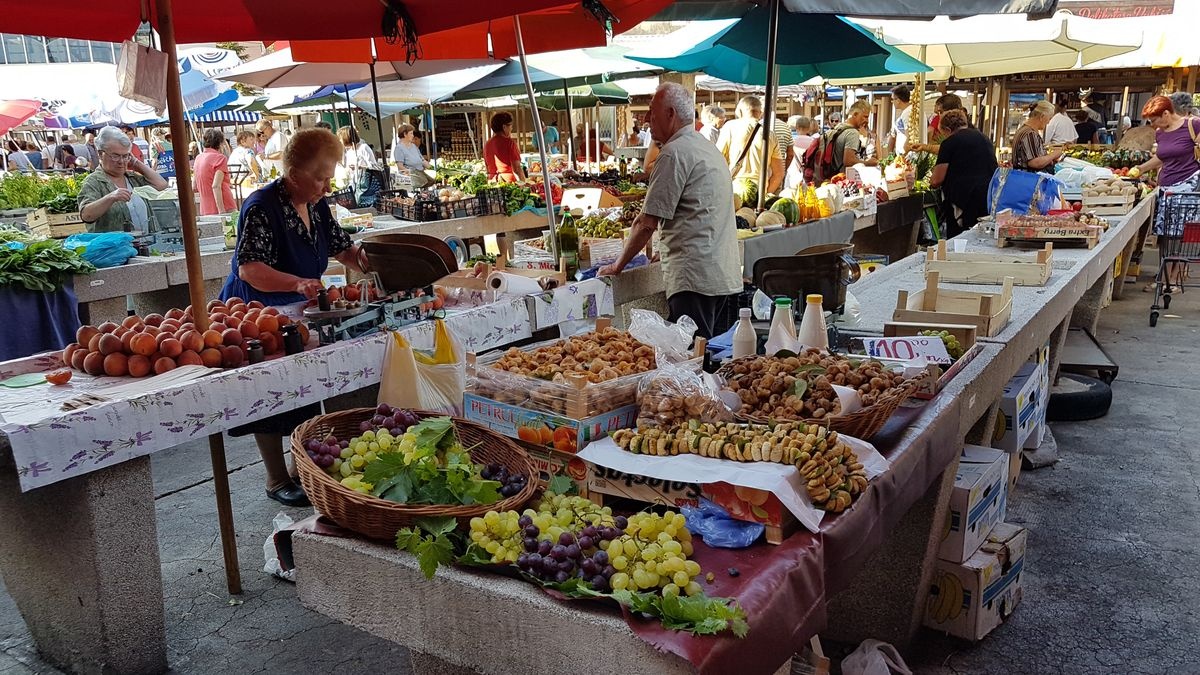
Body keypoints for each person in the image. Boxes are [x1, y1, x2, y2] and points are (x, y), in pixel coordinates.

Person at [220, 128, 371, 506]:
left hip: (299, 312)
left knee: (304, 389)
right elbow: (250, 268)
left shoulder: (316, 204)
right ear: (293, 174)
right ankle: (275, 478)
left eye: (329, 175)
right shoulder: (261, 206)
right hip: (259, 311)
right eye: (320, 176)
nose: (327, 184)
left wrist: (373, 263)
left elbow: (342, 248)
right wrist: (298, 281)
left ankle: (297, 469)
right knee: (269, 394)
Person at [599, 83, 741, 339]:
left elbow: (646, 222)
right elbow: (694, 211)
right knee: (704, 351)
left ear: (670, 115)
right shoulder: (705, 147)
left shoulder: (673, 153)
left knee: (691, 356)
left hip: (693, 277)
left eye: (651, 113)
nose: (646, 120)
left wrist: (618, 265)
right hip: (719, 272)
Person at [1129, 96, 1200, 292]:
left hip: (1187, 187)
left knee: (1176, 235)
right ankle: (1165, 277)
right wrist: (1140, 169)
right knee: (1164, 234)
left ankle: (1172, 279)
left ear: (1166, 113)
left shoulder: (1194, 125)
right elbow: (1161, 157)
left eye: (1154, 120)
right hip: (1166, 187)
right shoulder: (1161, 133)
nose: (1152, 125)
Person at [78, 126, 168, 233]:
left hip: (144, 246)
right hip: (114, 248)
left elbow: (161, 185)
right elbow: (86, 215)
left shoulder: (132, 178)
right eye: (115, 156)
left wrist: (136, 163)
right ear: (100, 154)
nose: (121, 161)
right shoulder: (93, 182)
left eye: (125, 156)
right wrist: (111, 197)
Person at [929, 110, 998, 236]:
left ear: (948, 129)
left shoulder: (950, 143)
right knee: (982, 235)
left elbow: (936, 180)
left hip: (963, 200)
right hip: (989, 195)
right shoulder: (984, 138)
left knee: (960, 238)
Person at [715, 95, 784, 195]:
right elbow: (779, 174)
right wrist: (765, 195)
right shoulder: (770, 134)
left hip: (734, 190)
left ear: (739, 111)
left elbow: (717, 160)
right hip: (759, 191)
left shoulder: (730, 127)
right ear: (760, 113)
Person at [824, 100, 879, 178]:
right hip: (841, 178)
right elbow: (848, 161)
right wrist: (868, 163)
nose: (866, 120)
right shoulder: (852, 133)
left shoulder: (838, 128)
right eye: (865, 116)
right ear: (855, 114)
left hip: (830, 176)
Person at [338, 127, 385, 208]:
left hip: (366, 184)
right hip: (355, 184)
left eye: (341, 138)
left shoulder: (364, 148)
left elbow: (374, 166)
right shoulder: (349, 152)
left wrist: (360, 167)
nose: (340, 141)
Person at [192, 129, 235, 216]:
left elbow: (194, 186)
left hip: (205, 207)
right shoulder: (220, 158)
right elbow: (216, 185)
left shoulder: (198, 158)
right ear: (220, 143)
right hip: (224, 204)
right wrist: (221, 211)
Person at [1012, 100, 1063, 172]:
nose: (1048, 122)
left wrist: (1048, 160)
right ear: (1042, 117)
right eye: (1049, 118)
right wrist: (1054, 155)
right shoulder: (1029, 134)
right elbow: (1035, 163)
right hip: (1029, 179)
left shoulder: (1024, 130)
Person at [483, 112, 525, 183]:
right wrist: (523, 183)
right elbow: (516, 169)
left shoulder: (487, 144)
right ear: (504, 127)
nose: (511, 128)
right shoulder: (509, 143)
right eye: (510, 125)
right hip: (509, 183)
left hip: (492, 181)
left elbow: (487, 167)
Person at [392, 123, 431, 188]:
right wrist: (412, 174)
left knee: (431, 181)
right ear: (405, 134)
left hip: (420, 175)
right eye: (411, 133)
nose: (413, 136)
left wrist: (433, 168)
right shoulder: (399, 148)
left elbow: (422, 160)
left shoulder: (413, 146)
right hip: (410, 179)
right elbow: (400, 167)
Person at [889, 85, 911, 154]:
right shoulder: (909, 111)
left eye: (893, 99)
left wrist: (904, 155)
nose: (892, 102)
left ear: (898, 100)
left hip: (908, 157)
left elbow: (910, 136)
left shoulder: (908, 113)